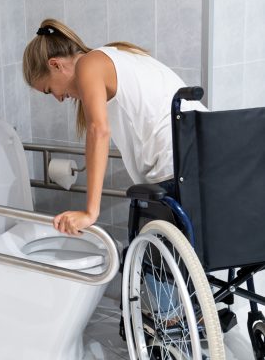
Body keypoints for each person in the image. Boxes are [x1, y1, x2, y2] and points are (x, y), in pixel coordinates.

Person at [22, 19, 205, 236]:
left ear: (55, 65)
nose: (58, 98)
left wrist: (90, 212)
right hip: (205, 152)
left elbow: (98, 131)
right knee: (190, 260)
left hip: (176, 164)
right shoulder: (116, 53)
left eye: (48, 89)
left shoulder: (88, 65)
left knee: (158, 264)